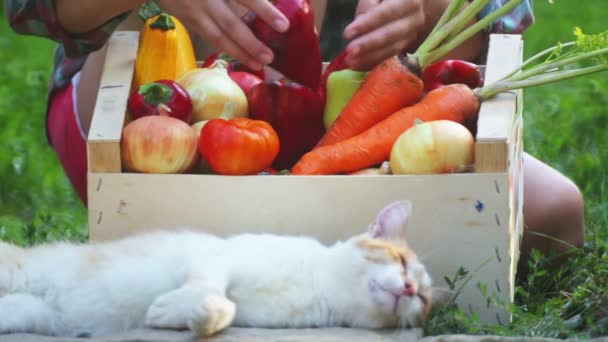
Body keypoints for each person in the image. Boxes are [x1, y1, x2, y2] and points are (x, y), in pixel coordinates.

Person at [5, 0, 583, 272]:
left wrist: (427, 11)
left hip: (351, 113)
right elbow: (33, 8)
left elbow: (503, 13)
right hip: (148, 110)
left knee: (555, 208)